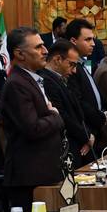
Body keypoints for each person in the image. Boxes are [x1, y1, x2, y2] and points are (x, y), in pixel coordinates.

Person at [0, 27, 63, 212]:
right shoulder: (17, 84)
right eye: (38, 47)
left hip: (44, 172)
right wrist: (55, 116)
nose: (45, 51)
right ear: (20, 54)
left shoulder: (32, 79)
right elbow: (33, 128)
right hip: (29, 177)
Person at [40, 38, 93, 168]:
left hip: (78, 144)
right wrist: (86, 136)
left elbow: (78, 112)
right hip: (66, 148)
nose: (74, 71)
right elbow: (63, 116)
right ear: (58, 59)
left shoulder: (62, 79)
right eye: (72, 65)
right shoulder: (47, 81)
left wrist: (88, 134)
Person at [64, 18, 107, 140]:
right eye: (88, 40)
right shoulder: (70, 67)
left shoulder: (83, 63)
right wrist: (99, 117)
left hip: (95, 130)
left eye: (92, 39)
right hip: (86, 132)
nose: (93, 44)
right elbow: (78, 102)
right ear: (73, 41)